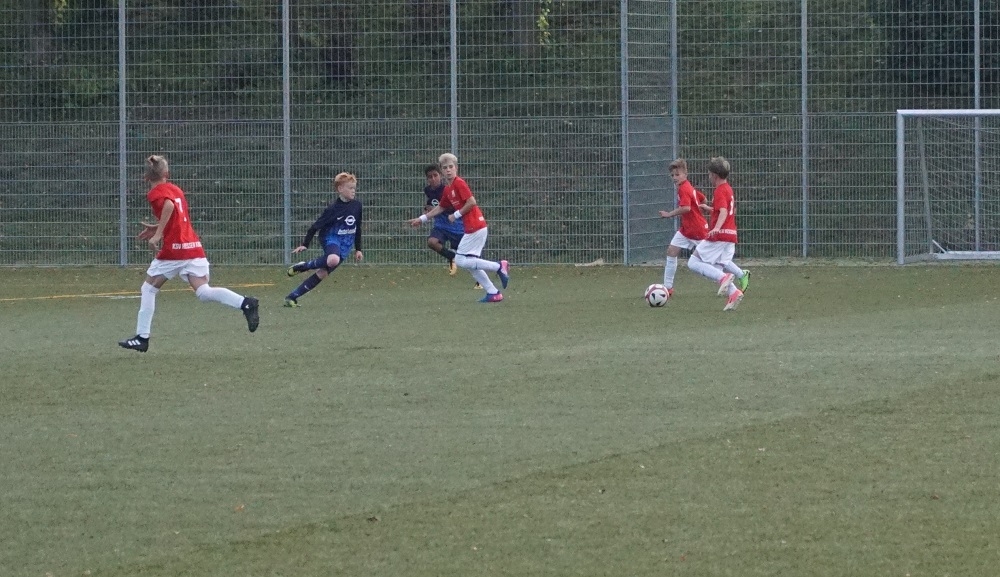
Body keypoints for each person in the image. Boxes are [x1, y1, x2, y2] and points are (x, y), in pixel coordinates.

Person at [119, 155, 259, 352]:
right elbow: (176, 216)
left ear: (146, 177)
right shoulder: (176, 189)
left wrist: (158, 234)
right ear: (167, 174)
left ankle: (142, 338)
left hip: (175, 250)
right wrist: (158, 227)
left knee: (148, 289)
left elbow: (168, 206)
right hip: (192, 246)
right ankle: (245, 303)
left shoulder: (155, 193)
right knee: (203, 292)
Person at [407, 153, 508, 302]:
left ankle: (499, 266)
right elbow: (440, 207)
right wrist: (421, 219)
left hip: (476, 226)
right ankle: (493, 293)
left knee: (460, 260)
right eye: (445, 167)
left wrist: (456, 215)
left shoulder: (459, 183)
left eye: (451, 167)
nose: (448, 170)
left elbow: (472, 202)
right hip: (472, 228)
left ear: (456, 168)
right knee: (470, 263)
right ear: (442, 170)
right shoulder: (448, 189)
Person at [285, 172, 364, 307]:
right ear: (340, 189)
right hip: (331, 238)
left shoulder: (357, 206)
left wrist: (358, 249)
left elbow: (358, 227)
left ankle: (292, 297)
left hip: (346, 244)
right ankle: (304, 266)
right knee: (333, 259)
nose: (353, 191)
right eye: (350, 188)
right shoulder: (333, 209)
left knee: (322, 273)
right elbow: (315, 227)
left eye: (354, 188)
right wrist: (305, 244)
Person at [686, 156, 749, 311]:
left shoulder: (720, 190)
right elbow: (724, 209)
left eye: (709, 174)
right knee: (715, 267)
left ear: (714, 175)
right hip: (730, 236)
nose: (709, 177)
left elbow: (723, 212)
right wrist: (710, 209)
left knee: (693, 262)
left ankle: (724, 278)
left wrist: (716, 228)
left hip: (720, 235)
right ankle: (734, 293)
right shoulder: (728, 188)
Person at [657, 158, 709, 300]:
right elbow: (703, 199)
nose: (674, 177)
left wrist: (669, 214)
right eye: (672, 175)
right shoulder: (687, 187)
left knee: (710, 259)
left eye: (677, 174)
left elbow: (686, 208)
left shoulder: (684, 189)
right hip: (687, 229)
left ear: (685, 174)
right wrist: (699, 208)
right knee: (671, 251)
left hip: (697, 230)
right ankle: (667, 288)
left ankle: (732, 278)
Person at [421, 164, 464, 276]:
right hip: (440, 225)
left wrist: (435, 209)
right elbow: (431, 202)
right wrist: (426, 209)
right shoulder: (428, 190)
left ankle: (488, 270)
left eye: (435, 175)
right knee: (432, 242)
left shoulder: (447, 190)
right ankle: (452, 257)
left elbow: (453, 207)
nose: (433, 179)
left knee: (469, 256)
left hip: (455, 225)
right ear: (427, 179)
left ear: (440, 176)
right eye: (430, 177)